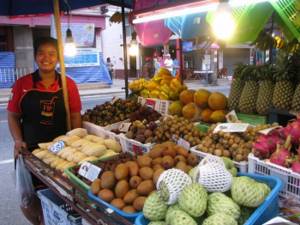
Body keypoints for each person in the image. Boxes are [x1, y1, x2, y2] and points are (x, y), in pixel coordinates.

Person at [7, 37, 82, 225]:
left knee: (61, 196)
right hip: (30, 151)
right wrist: (17, 140)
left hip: (61, 151)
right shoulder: (22, 84)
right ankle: (40, 221)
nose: (46, 58)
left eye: (52, 53)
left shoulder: (68, 84)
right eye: (41, 53)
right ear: (35, 56)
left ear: (58, 57)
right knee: (29, 199)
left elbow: (75, 117)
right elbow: (13, 116)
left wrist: (77, 145)